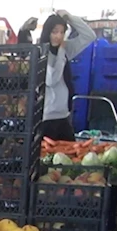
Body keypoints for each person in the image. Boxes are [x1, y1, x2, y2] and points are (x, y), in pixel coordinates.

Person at [40, 10, 96, 141]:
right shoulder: (41, 53)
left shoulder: (66, 49)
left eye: (62, 32)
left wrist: (69, 18)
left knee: (70, 151)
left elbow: (89, 36)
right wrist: (61, 52)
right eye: (55, 32)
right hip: (46, 117)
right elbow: (51, 80)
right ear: (48, 32)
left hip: (64, 115)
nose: (58, 36)